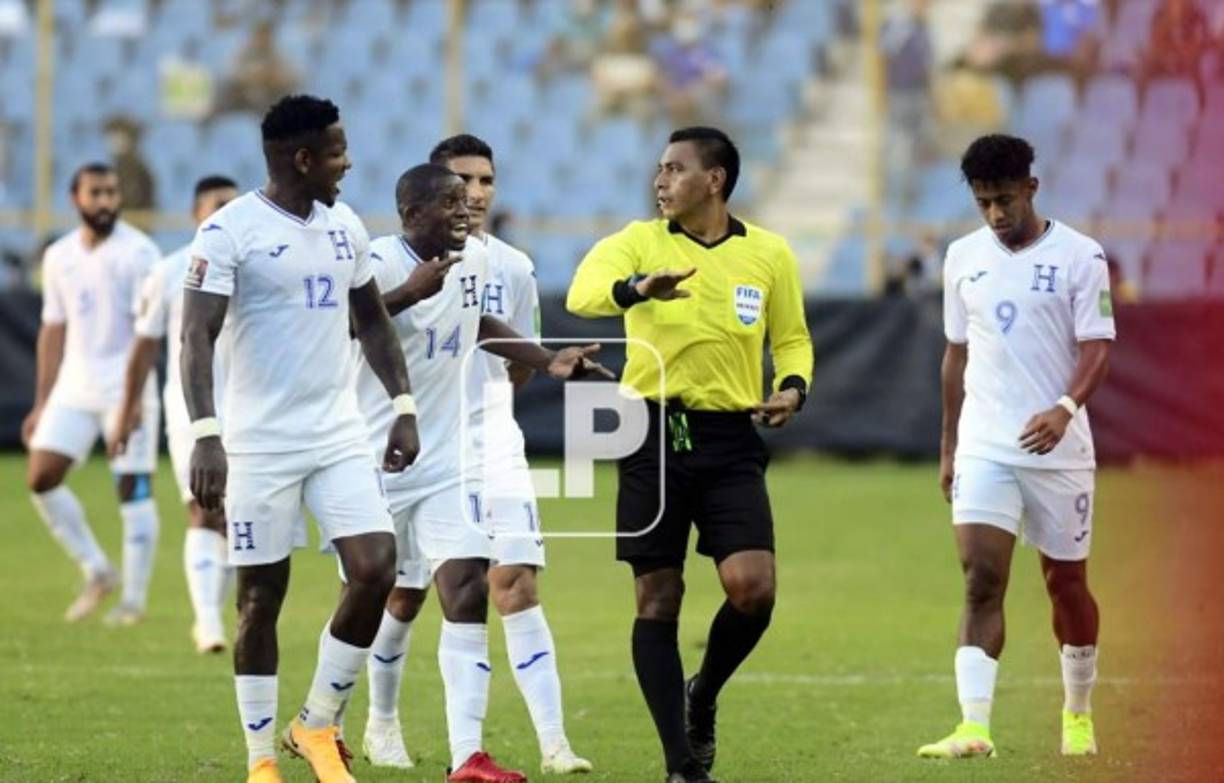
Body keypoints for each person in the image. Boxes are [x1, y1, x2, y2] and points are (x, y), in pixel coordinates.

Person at [180, 94, 419, 783]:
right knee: (260, 599)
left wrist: (401, 403)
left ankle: (315, 723)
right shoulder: (229, 233)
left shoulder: (345, 225)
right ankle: (260, 758)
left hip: (338, 434)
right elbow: (196, 334)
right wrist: (205, 434)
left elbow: (372, 320)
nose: (348, 163)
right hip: (258, 446)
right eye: (338, 151)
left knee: (377, 566)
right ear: (303, 158)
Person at [565, 127, 813, 783]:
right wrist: (637, 289)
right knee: (658, 596)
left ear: (716, 179)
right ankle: (682, 766)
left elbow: (791, 341)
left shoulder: (769, 254)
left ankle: (702, 693)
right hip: (649, 431)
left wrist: (792, 389)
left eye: (675, 169)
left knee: (752, 589)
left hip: (731, 438)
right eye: (659, 169)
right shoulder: (639, 241)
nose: (660, 180)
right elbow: (582, 293)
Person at [344, 162, 603, 782]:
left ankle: (470, 756)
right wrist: (411, 290)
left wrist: (547, 360)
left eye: (473, 197)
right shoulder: (372, 262)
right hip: (375, 456)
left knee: (469, 588)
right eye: (454, 199)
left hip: (457, 457)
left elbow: (480, 325)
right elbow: (345, 326)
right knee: (376, 597)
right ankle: (329, 720)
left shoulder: (487, 263)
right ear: (412, 212)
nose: (469, 210)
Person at [917, 134, 1114, 760]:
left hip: (1059, 448)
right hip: (985, 445)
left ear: (1032, 187)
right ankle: (975, 726)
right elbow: (956, 354)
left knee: (1065, 584)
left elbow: (1098, 346)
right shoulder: (962, 257)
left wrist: (1065, 408)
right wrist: (950, 445)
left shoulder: (1083, 256)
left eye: (1005, 200)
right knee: (980, 579)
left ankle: (1077, 710)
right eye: (983, 204)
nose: (996, 215)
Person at [435, 133, 592, 775]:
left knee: (517, 583)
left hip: (496, 443)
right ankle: (394, 726)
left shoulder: (514, 267)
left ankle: (555, 744)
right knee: (426, 593)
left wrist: (490, 410)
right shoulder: (398, 262)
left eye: (486, 181)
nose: (475, 194)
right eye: (462, 180)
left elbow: (520, 357)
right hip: (430, 450)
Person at [23, 162, 163, 626]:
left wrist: (131, 405)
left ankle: (134, 602)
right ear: (75, 198)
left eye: (111, 192)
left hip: (128, 388)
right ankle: (98, 569)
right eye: (95, 193)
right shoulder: (59, 256)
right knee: (41, 477)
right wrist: (42, 401)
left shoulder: (139, 253)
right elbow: (53, 328)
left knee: (133, 491)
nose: (105, 201)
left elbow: (149, 334)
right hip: (75, 386)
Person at [110, 174, 238, 653]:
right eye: (217, 205)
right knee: (202, 509)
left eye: (233, 206)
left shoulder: (250, 268)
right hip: (190, 407)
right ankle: (207, 621)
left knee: (233, 518)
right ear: (195, 214)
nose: (224, 214)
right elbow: (143, 348)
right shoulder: (168, 271)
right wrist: (127, 411)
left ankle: (214, 613)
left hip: (248, 409)